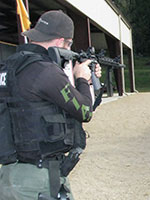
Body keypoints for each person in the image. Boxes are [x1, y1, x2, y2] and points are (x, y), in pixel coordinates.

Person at [0, 10, 101, 200]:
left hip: (8, 176)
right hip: (39, 180)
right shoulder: (46, 71)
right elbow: (85, 111)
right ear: (61, 42)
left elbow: (43, 101)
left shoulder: (9, 67)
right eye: (68, 44)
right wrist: (83, 79)